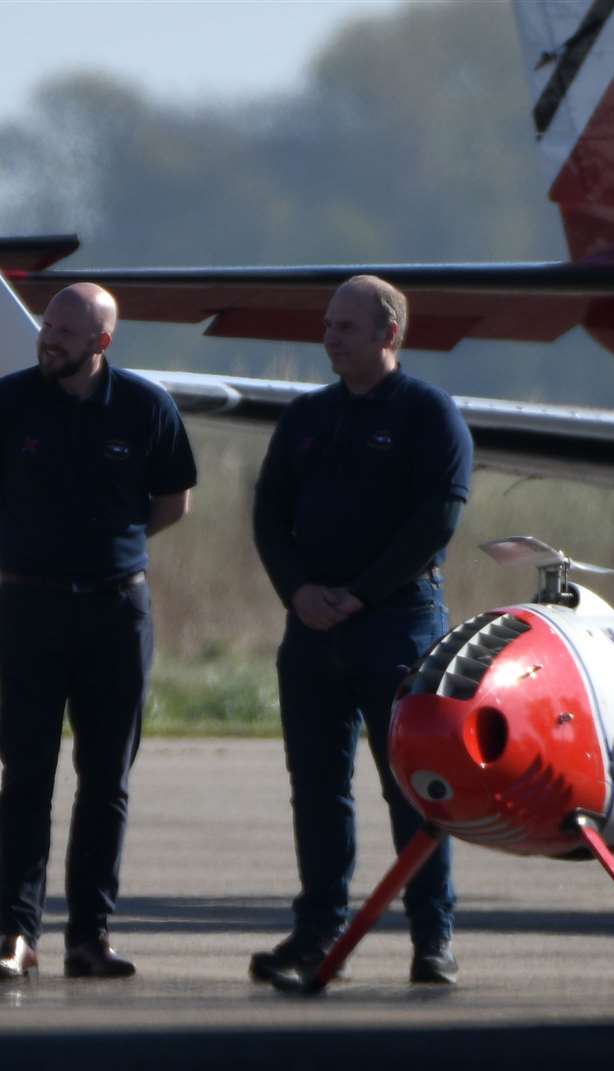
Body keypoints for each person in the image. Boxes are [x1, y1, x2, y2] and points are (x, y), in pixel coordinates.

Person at [0, 282, 196, 979]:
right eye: (46, 326)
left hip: (117, 612)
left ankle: (89, 936)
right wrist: (28, 552)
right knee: (26, 773)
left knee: (106, 778)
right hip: (31, 607)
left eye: (65, 332)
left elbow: (173, 500)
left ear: (101, 343)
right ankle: (16, 935)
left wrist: (110, 549)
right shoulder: (2, 404)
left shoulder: (145, 407)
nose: (48, 340)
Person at [249, 274, 472, 986]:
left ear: (389, 335)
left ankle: (430, 942)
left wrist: (359, 595)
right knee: (315, 787)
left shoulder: (427, 415)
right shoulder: (306, 417)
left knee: (413, 789)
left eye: (346, 327)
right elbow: (268, 516)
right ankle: (317, 934)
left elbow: (436, 519)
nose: (329, 336)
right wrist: (299, 593)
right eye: (327, 324)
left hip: (397, 628)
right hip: (312, 631)